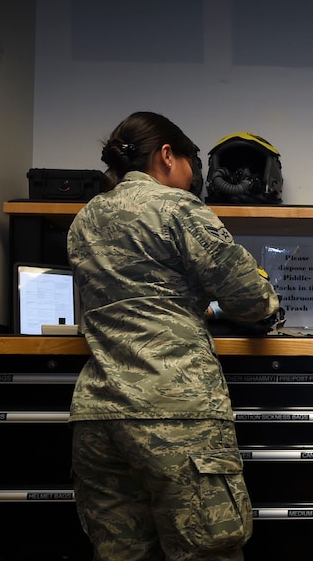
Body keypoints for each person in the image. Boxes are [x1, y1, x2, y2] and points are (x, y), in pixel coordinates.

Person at [66, 111, 280, 560]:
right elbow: (251, 300)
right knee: (206, 551)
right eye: (189, 163)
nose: (192, 179)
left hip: (99, 416)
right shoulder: (177, 208)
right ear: (167, 155)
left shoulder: (84, 220)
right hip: (174, 412)